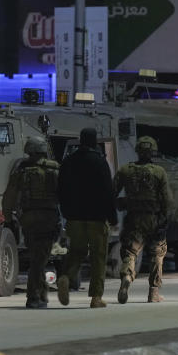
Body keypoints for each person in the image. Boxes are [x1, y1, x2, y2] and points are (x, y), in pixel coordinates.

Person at [57, 127, 118, 308]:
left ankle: (66, 278)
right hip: (97, 218)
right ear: (94, 142)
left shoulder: (68, 162)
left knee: (77, 251)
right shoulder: (100, 162)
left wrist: (66, 212)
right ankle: (96, 297)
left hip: (74, 218)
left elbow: (61, 190)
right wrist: (112, 217)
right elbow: (108, 192)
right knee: (98, 257)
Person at [113, 136, 173, 304]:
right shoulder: (159, 172)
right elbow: (167, 200)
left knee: (130, 252)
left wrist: (121, 204)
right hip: (153, 219)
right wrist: (166, 219)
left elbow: (112, 193)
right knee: (157, 254)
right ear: (152, 151)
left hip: (133, 218)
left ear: (137, 151)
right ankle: (153, 293)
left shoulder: (125, 170)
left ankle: (127, 276)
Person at [3, 137, 60, 309]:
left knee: (37, 257)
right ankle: (34, 296)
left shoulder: (21, 170)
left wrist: (8, 218)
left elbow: (9, 196)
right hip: (48, 218)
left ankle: (40, 294)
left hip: (28, 219)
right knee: (40, 259)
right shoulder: (54, 169)